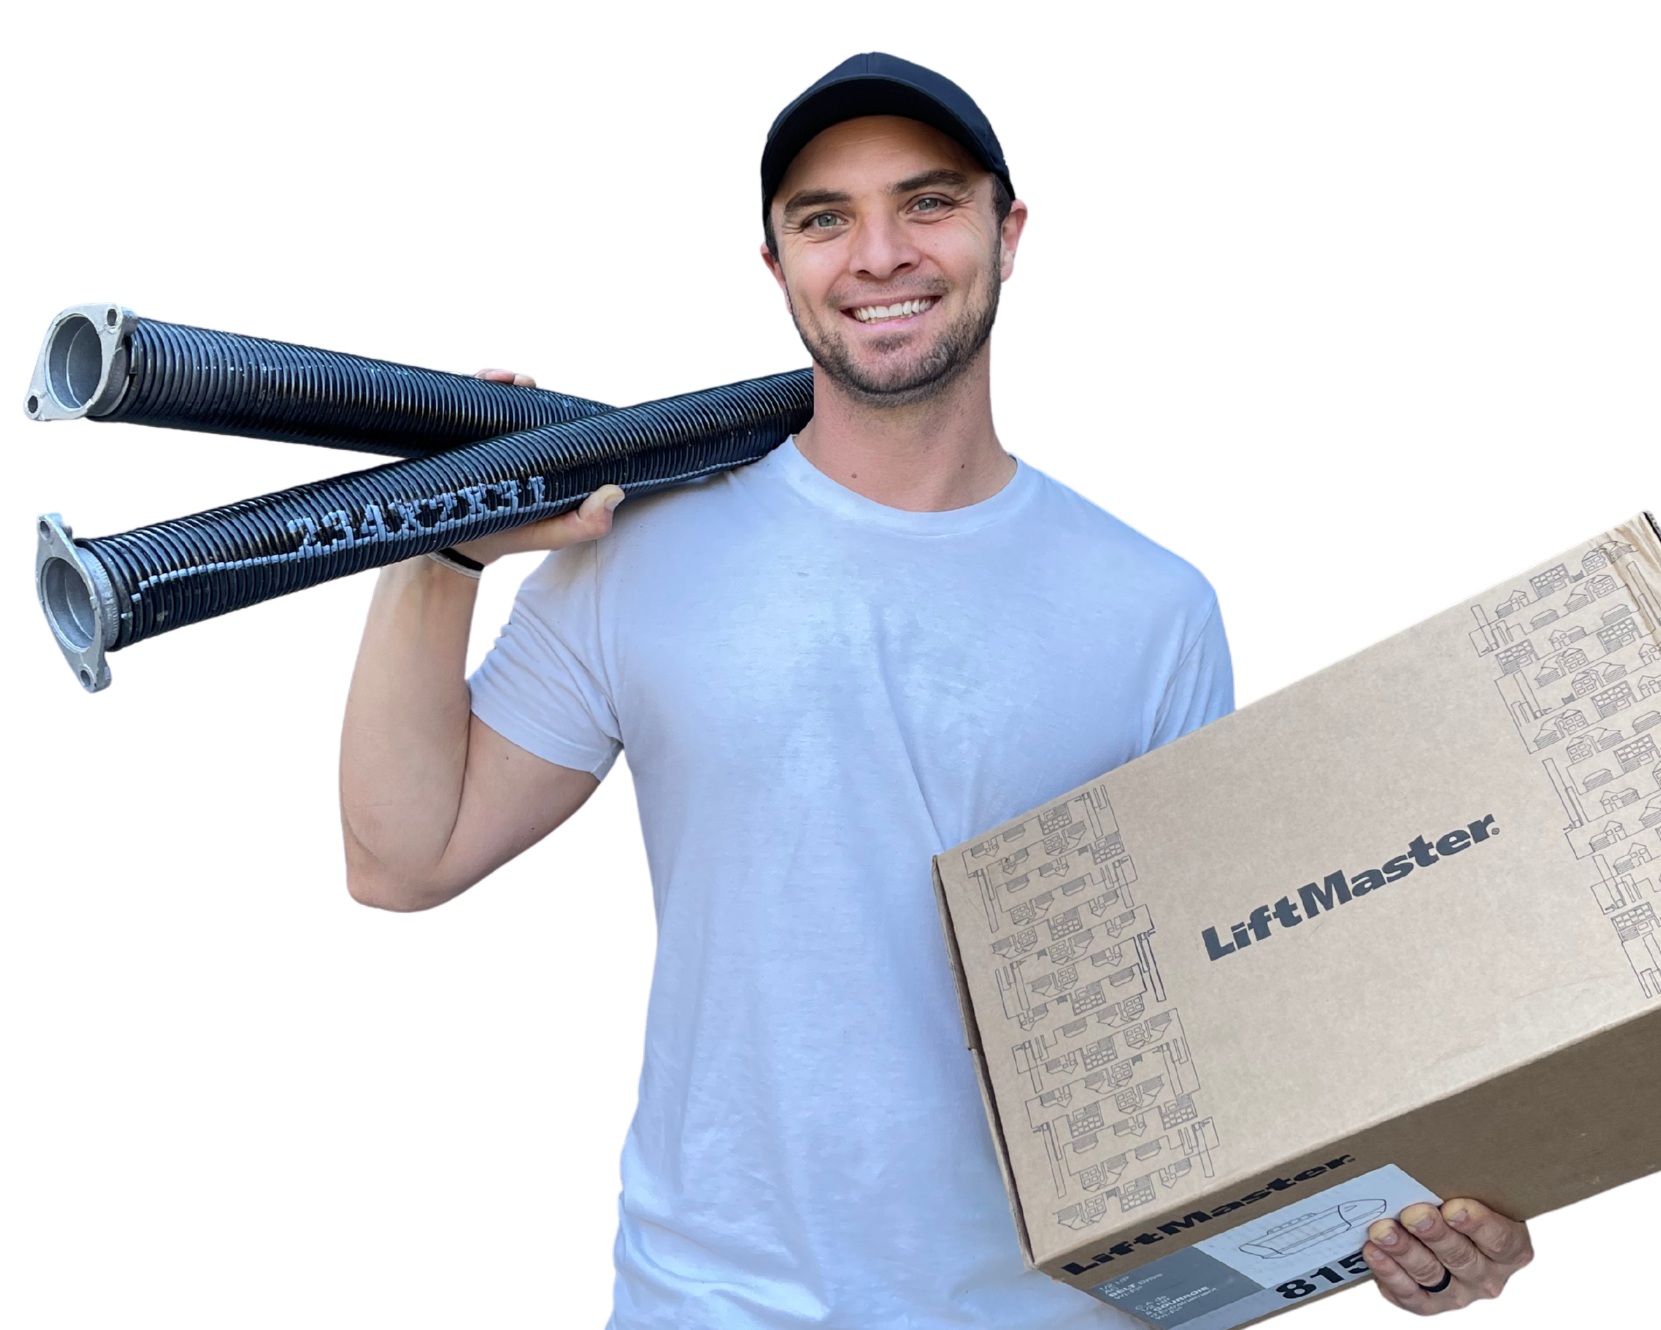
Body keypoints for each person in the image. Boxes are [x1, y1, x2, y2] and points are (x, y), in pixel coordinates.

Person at [339, 51, 1223, 1329]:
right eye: (824, 219)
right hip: (709, 1302)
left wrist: (1407, 1215)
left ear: (1007, 232)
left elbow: (1213, 1012)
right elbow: (399, 859)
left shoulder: (1154, 611)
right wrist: (436, 548)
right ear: (776, 270)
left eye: (926, 202)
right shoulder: (643, 545)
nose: (877, 254)